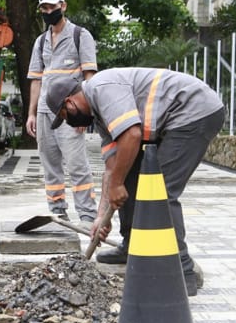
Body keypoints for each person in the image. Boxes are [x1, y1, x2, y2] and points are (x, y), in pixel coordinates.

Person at [46, 68, 225, 296]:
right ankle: (132, 245)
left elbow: (131, 135)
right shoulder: (100, 116)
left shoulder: (101, 88)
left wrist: (117, 184)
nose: (69, 122)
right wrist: (101, 216)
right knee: (127, 174)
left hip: (194, 111)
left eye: (64, 116)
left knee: (159, 191)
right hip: (174, 119)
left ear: (69, 103)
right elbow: (112, 168)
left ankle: (182, 271)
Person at [25, 0, 98, 224]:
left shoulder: (80, 35)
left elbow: (89, 77)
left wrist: (86, 116)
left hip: (71, 113)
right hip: (45, 114)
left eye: (52, 7)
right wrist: (31, 114)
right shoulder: (40, 41)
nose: (48, 12)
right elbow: (37, 79)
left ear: (63, 6)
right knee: (50, 167)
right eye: (44, 9)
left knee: (77, 166)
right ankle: (57, 212)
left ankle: (87, 215)